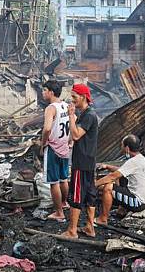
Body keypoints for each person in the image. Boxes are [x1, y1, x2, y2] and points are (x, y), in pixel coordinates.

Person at [61, 83, 99, 238]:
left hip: (82, 162)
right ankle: (90, 228)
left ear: (83, 97)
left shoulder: (89, 115)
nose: (72, 100)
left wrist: (70, 114)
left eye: (74, 97)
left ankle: (72, 231)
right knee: (90, 194)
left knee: (76, 195)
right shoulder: (85, 114)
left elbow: (76, 135)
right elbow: (75, 136)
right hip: (88, 160)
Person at [95, 135, 145, 225]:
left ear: (127, 148)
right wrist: (107, 166)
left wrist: (93, 184)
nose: (121, 147)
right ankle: (121, 210)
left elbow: (112, 177)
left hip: (138, 203)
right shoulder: (140, 158)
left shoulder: (134, 162)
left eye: (122, 145)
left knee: (108, 187)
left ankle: (103, 219)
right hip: (141, 198)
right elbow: (122, 170)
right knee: (121, 177)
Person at [39, 80, 71, 222]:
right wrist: (70, 141)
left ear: (51, 92)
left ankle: (59, 213)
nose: (43, 93)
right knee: (64, 178)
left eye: (44, 90)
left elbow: (46, 128)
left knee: (54, 182)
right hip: (64, 146)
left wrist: (43, 143)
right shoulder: (65, 105)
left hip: (53, 147)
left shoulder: (51, 108)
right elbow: (73, 121)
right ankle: (64, 203)